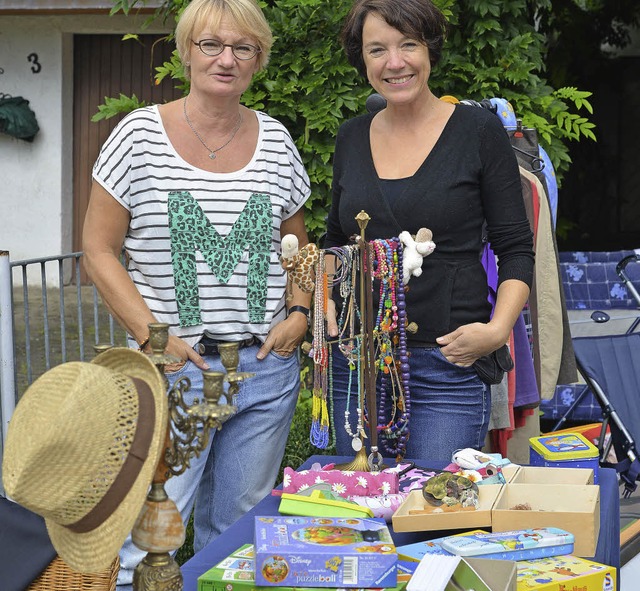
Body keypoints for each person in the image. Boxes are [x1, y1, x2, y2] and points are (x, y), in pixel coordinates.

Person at [82, 0, 311, 586]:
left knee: (237, 537)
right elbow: (99, 250)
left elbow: (299, 250)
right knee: (150, 536)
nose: (225, 59)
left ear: (259, 60)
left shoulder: (277, 141)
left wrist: (301, 312)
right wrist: (150, 334)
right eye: (211, 44)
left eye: (243, 48)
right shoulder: (138, 135)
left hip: (264, 368)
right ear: (185, 51)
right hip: (173, 372)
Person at [324, 0, 534, 463]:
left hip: (446, 365)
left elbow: (517, 247)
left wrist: (497, 331)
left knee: (433, 518)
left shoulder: (478, 132)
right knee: (360, 518)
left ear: (430, 51)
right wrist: (323, 308)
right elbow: (334, 242)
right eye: (377, 49)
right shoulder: (351, 137)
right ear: (362, 58)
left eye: (408, 45)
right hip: (358, 366)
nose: (394, 62)